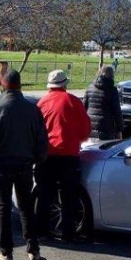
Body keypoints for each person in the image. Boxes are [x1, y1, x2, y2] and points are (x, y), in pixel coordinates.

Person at [0, 69, 48, 260]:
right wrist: (36, 158)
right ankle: (33, 250)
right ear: (20, 85)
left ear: (4, 84)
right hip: (25, 165)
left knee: (3, 209)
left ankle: (6, 252)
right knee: (26, 207)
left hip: (2, 165)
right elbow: (41, 141)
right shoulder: (32, 109)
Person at [35, 70, 90, 243]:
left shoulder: (41, 103)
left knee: (44, 195)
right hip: (69, 156)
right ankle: (68, 233)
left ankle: (42, 231)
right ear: (65, 84)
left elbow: (35, 131)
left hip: (46, 156)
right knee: (69, 196)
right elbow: (85, 131)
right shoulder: (74, 102)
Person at [84, 65, 123, 141]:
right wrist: (119, 130)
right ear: (112, 75)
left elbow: (83, 109)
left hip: (90, 127)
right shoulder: (112, 90)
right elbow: (117, 112)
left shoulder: (90, 88)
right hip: (106, 129)